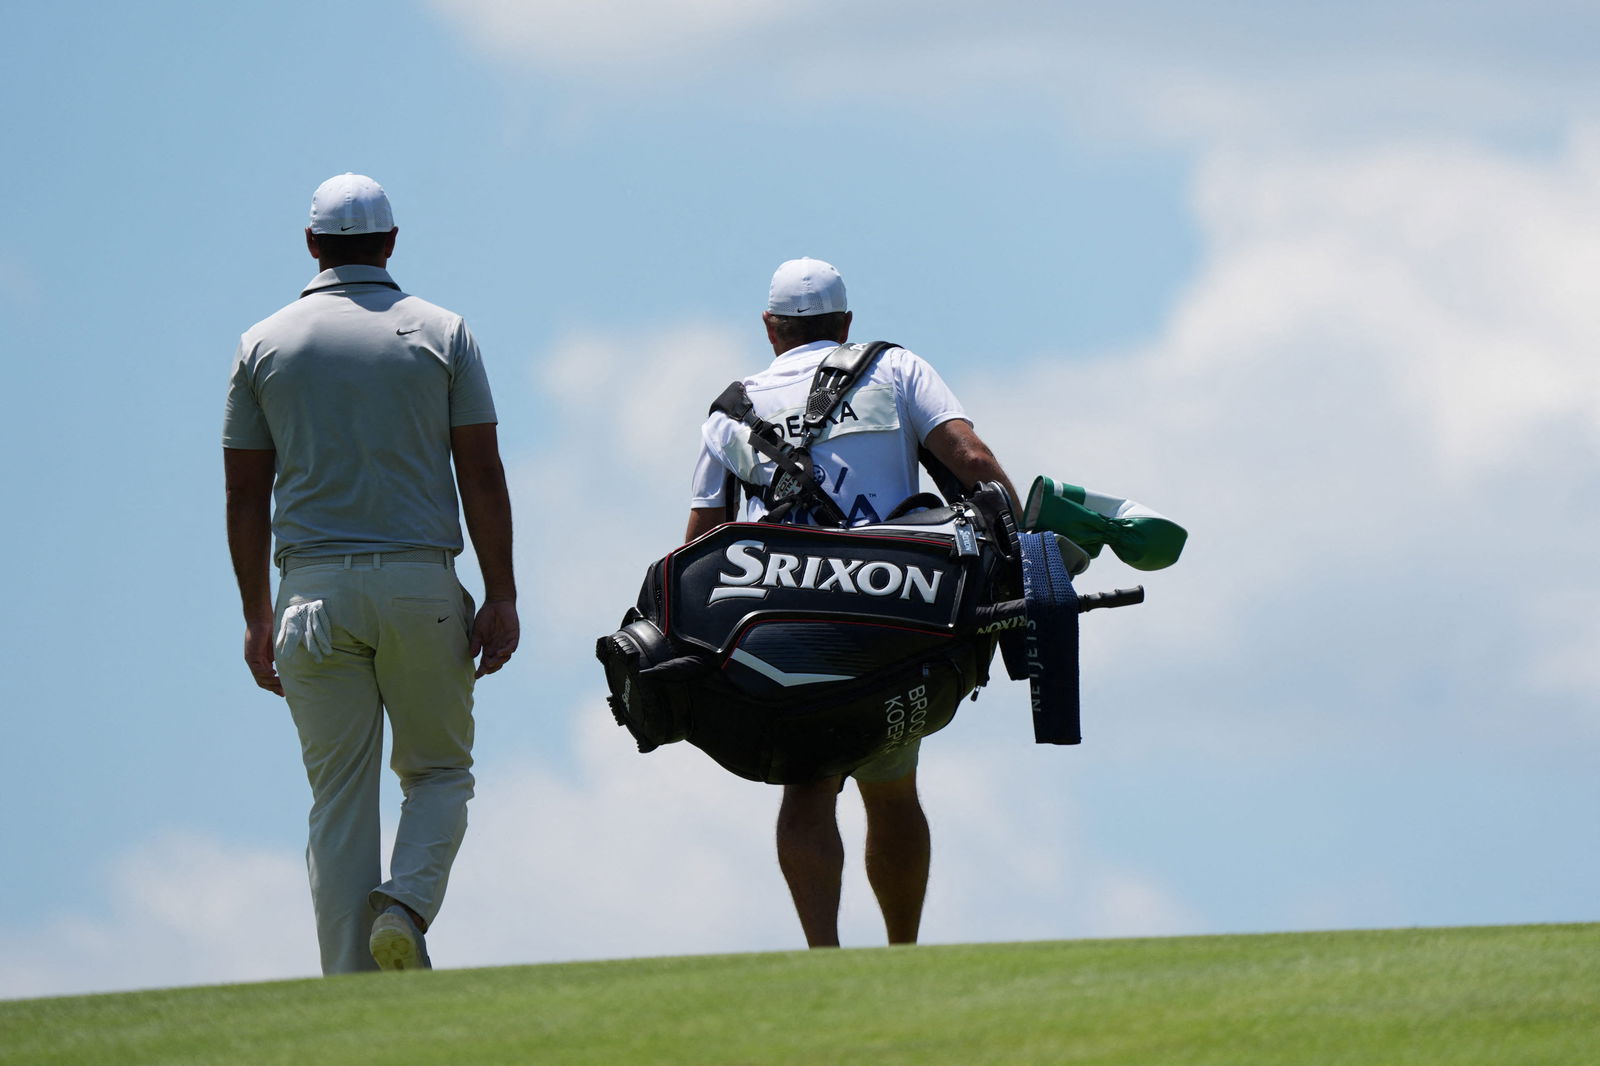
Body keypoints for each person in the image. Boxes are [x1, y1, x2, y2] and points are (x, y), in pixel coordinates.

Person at [222, 173, 519, 974]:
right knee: (441, 773)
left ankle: (352, 1002)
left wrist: (255, 617)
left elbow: (246, 493)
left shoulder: (264, 342)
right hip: (421, 584)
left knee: (338, 807)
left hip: (311, 595)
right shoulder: (442, 331)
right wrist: (503, 594)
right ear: (390, 243)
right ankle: (406, 904)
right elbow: (481, 474)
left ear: (313, 244)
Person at [685, 257, 1018, 948]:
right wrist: (1028, 547)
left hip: (786, 624)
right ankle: (901, 955)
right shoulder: (895, 370)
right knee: (892, 785)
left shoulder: (730, 411)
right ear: (845, 325)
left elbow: (702, 546)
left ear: (770, 328)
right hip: (892, 610)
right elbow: (973, 461)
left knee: (806, 783)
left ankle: (825, 960)